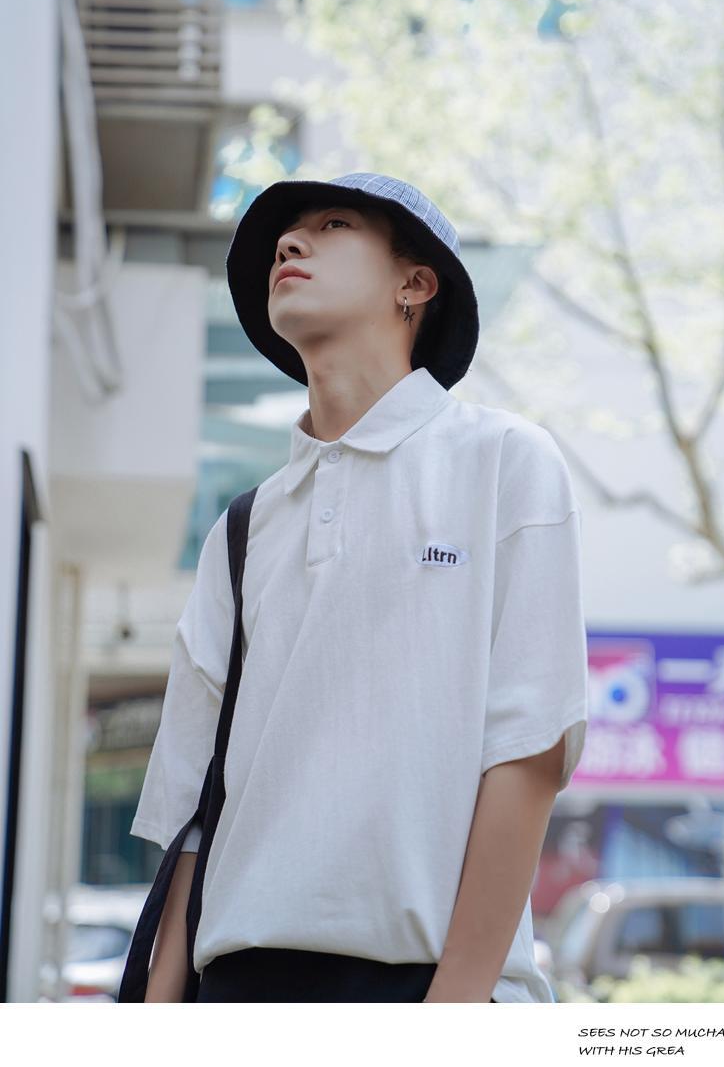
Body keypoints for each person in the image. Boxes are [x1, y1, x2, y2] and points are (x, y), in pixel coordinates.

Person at [130, 172, 589, 1002]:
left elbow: (528, 749)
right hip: (238, 991)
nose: (289, 243)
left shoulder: (504, 463)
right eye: (286, 234)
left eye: (334, 224)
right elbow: (193, 818)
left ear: (415, 284)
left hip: (430, 986)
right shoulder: (242, 529)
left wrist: (451, 1013)